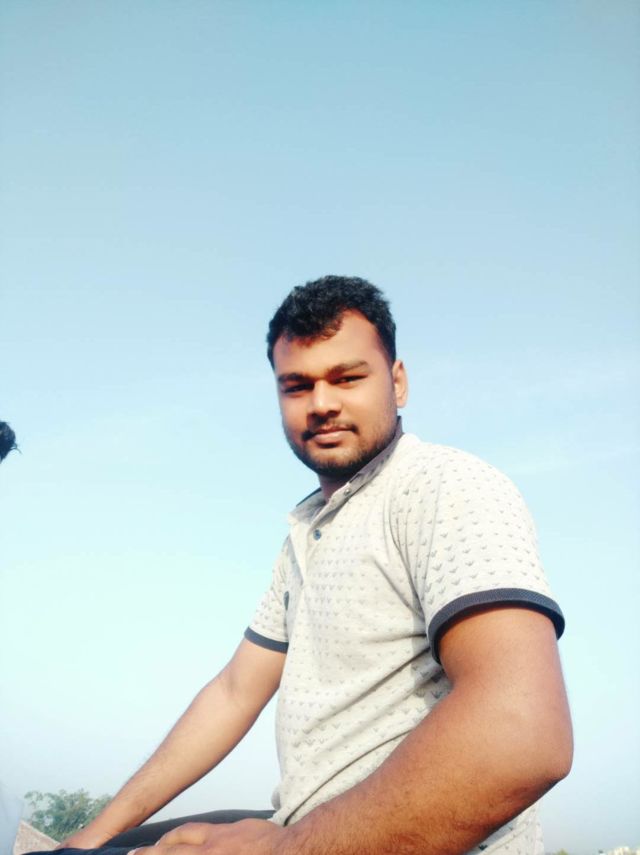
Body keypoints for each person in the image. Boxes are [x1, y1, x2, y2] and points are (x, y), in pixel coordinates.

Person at [50, 276, 572, 855]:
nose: (321, 403)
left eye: (347, 378)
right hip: (306, 826)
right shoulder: (307, 531)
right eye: (297, 386)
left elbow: (523, 734)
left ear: (398, 382)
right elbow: (234, 693)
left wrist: (286, 848)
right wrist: (91, 837)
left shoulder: (443, 487)